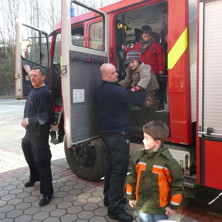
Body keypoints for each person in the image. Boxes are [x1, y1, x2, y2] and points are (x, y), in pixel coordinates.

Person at [97, 63, 146, 222]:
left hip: (107, 133)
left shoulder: (102, 89)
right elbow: (136, 98)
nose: (117, 74)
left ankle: (109, 198)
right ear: (105, 76)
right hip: (118, 134)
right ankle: (115, 209)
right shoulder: (115, 91)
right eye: (113, 73)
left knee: (111, 167)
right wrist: (143, 83)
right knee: (119, 170)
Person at [126, 121, 184, 222]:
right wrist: (131, 197)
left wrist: (173, 207)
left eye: (147, 138)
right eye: (144, 137)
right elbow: (132, 177)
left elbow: (177, 185)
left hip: (160, 210)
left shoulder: (168, 162)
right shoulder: (139, 157)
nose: (143, 141)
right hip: (143, 207)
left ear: (157, 142)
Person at [21, 66, 54, 207]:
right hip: (30, 132)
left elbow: (47, 117)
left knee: (42, 160)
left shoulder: (44, 93)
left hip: (39, 132)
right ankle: (34, 176)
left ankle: (47, 192)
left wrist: (29, 120)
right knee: (27, 150)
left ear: (43, 77)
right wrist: (28, 70)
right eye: (31, 76)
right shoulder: (35, 88)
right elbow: (32, 74)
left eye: (35, 76)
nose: (32, 78)